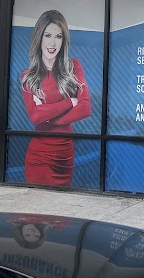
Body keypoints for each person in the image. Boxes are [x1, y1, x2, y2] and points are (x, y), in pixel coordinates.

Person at [21, 10, 91, 186]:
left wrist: (49, 118)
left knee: (60, 202)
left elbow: (85, 108)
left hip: (65, 156)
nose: (52, 43)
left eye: (58, 36)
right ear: (39, 38)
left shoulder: (73, 67)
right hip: (39, 156)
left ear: (63, 40)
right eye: (48, 35)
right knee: (37, 202)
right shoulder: (29, 76)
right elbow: (35, 116)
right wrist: (70, 102)